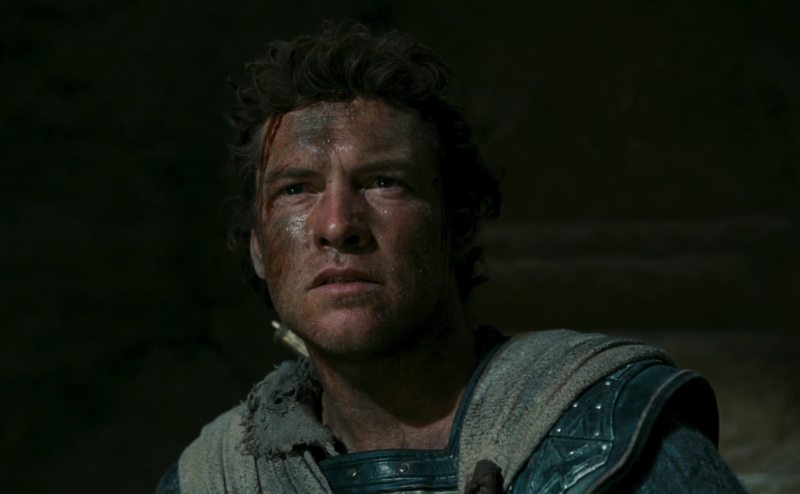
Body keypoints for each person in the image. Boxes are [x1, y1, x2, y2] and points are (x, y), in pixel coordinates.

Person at [156, 23, 745, 493]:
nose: (337, 225)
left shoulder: (611, 436)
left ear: (456, 225)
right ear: (259, 249)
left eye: (383, 182)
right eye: (295, 189)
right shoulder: (218, 478)